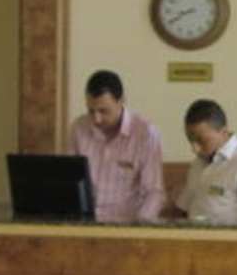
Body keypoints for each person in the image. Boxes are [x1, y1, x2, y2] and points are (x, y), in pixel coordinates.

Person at [68, 69, 165, 223]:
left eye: (103, 111)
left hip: (127, 224)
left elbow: (154, 192)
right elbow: (70, 182)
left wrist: (140, 226)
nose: (96, 119)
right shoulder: (78, 128)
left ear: (121, 101)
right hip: (85, 222)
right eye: (91, 111)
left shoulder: (146, 134)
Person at [176, 98, 237, 226]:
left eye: (202, 141)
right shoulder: (198, 164)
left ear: (223, 132)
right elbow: (185, 208)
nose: (195, 149)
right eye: (190, 139)